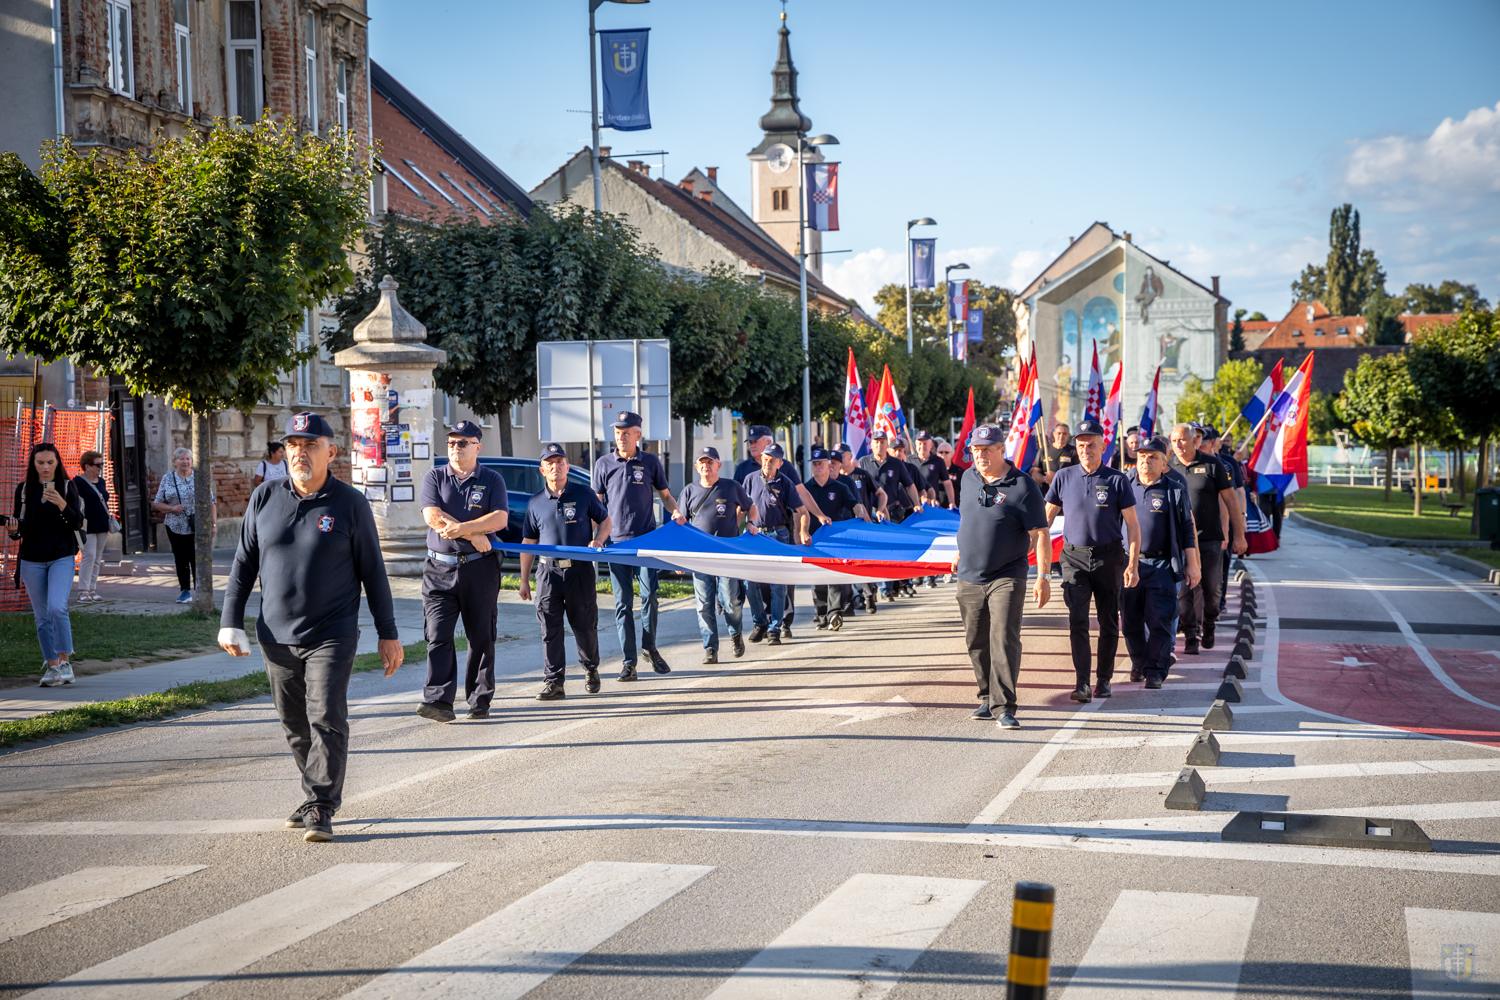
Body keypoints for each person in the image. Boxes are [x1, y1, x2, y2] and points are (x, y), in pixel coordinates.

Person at [219, 412, 402, 843]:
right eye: (293, 445)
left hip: (332, 632)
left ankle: (321, 804)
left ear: (331, 452)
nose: (299, 452)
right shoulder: (264, 498)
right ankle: (314, 794)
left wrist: (388, 633)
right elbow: (243, 565)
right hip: (275, 634)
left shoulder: (349, 504)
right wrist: (230, 621)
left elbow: (373, 573)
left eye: (310, 445)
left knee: (325, 716)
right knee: (295, 724)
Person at [954, 425, 1050, 729]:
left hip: (1007, 574)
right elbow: (967, 519)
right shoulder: (968, 479)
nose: (980, 456)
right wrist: (960, 550)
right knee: (976, 640)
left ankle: (1004, 705)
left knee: (1004, 637)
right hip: (969, 574)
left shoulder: (1022, 486)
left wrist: (1043, 576)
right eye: (976, 450)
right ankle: (986, 696)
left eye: (987, 450)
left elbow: (1041, 533)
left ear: (1001, 450)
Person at [415, 420, 508, 723]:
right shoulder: (435, 476)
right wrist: (472, 534)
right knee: (438, 634)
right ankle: (438, 700)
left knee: (481, 636)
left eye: (463, 442)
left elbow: (499, 519)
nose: (456, 447)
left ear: (477, 446)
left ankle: (479, 700)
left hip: (479, 570)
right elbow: (432, 515)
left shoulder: (491, 479)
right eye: (452, 442)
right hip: (439, 569)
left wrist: (466, 529)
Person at [1045, 417, 1141, 702]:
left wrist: (1132, 564)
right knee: (1077, 620)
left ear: (1103, 446)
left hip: (1109, 558)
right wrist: (1028, 545)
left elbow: (1133, 525)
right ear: (1076, 446)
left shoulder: (1116, 479)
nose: (1086, 449)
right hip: (1073, 558)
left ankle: (1104, 679)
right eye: (1082, 444)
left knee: (1109, 620)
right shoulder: (1064, 477)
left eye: (1092, 444)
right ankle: (1082, 682)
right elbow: (1045, 518)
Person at [592, 410, 679, 681]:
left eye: (626, 433)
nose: (621, 437)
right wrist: (596, 536)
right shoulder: (603, 464)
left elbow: (665, 496)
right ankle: (629, 662)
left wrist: (675, 511)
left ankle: (649, 646)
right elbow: (596, 504)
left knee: (650, 596)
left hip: (646, 542)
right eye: (617, 433)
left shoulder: (650, 462)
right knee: (622, 604)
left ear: (638, 434)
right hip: (616, 544)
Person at [518, 443, 610, 698]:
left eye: (560, 462)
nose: (556, 467)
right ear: (542, 470)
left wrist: (599, 540)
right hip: (548, 573)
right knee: (550, 628)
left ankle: (591, 668)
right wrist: (524, 580)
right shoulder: (535, 503)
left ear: (567, 466)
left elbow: (605, 520)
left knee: (584, 625)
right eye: (550, 464)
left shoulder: (583, 494)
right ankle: (554, 682)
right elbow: (528, 542)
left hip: (579, 571)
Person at [1122, 437, 1200, 689]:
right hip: (1129, 565)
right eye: (1142, 456)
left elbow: (1187, 528)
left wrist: (1192, 562)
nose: (1146, 460)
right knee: (1131, 622)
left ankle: (1155, 670)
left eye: (1153, 456)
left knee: (1160, 620)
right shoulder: (1124, 486)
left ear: (1164, 464)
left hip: (1162, 565)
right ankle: (1139, 661)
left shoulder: (1174, 490)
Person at [676, 446, 758, 663]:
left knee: (730, 601)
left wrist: (751, 523)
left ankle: (735, 634)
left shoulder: (731, 487)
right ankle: (710, 648)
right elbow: (681, 525)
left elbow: (752, 508)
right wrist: (680, 555)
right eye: (702, 463)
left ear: (718, 465)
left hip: (726, 555)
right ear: (696, 467)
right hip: (699, 557)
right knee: (704, 604)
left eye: (710, 462)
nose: (706, 466)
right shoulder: (688, 491)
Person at [12, 443, 83, 687]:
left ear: (57, 463)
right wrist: (13, 530)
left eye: (49, 463)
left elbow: (77, 522)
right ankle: (52, 665)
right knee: (41, 617)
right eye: (40, 463)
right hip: (32, 559)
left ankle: (65, 662)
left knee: (56, 608)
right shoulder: (24, 490)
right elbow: (19, 529)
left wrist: (62, 504)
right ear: (33, 464)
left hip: (61, 556)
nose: (45, 467)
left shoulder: (66, 485)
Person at [1169, 422, 1233, 655]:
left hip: (1209, 538)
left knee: (1211, 589)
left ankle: (1209, 624)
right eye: (1174, 440)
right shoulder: (1167, 467)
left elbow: (1229, 500)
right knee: (1185, 590)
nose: (1178, 445)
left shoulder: (1212, 465)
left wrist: (1236, 532)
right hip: (1181, 540)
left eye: (1183, 440)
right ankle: (1190, 635)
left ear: (1194, 440)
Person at [742, 442, 804, 645]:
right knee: (750, 582)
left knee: (778, 584)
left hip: (778, 535)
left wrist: (801, 531)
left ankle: (774, 628)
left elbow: (801, 511)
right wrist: (737, 532)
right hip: (754, 536)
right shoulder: (750, 479)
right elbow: (740, 508)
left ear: (780, 462)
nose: (768, 463)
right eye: (766, 458)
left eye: (773, 460)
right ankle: (760, 621)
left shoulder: (785, 483)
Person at [805, 446, 869, 630]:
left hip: (834, 539)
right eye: (815, 464)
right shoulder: (806, 488)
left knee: (833, 575)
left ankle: (834, 613)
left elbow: (854, 504)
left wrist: (861, 514)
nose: (818, 467)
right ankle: (821, 614)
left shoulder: (840, 488)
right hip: (814, 539)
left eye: (821, 464)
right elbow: (799, 511)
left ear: (828, 466)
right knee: (816, 578)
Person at [152, 446, 216, 604]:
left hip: (198, 524)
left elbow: (212, 502)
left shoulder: (199, 477)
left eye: (188, 459)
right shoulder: (168, 478)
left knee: (197, 557)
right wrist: (171, 508)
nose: (185, 462)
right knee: (181, 558)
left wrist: (213, 524)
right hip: (175, 526)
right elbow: (156, 503)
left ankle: (201, 591)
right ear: (175, 462)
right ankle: (185, 590)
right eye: (181, 459)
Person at [861, 431, 920, 601]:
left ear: (887, 444)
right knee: (873, 553)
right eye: (876, 441)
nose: (879, 445)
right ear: (871, 444)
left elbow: (910, 485)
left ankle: (889, 587)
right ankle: (872, 589)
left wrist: (916, 503)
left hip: (893, 512)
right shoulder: (864, 462)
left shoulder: (896, 463)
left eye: (882, 441)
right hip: (869, 513)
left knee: (891, 551)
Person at [837, 442, 886, 614]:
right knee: (844, 564)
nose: (839, 458)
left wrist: (880, 510)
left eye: (842, 455)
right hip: (842, 527)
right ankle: (849, 601)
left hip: (862, 526)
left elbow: (881, 494)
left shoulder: (862, 475)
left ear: (850, 456)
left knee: (861, 563)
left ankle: (868, 594)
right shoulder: (833, 479)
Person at [1209, 427, 1249, 612]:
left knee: (1222, 564)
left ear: (1215, 441)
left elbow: (1239, 493)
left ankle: (1220, 601)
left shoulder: (1227, 464)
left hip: (1224, 523)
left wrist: (1241, 518)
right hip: (1200, 526)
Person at [73, 450, 114, 603]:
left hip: (102, 523)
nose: (100, 467)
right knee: (88, 556)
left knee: (97, 558)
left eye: (102, 464)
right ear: (87, 466)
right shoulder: (77, 482)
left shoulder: (101, 481)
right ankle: (83, 591)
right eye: (98, 465)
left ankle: (92, 589)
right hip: (85, 525)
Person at [918, 432, 956, 508]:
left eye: (925, 443)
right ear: (915, 444)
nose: (922, 446)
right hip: (913, 506)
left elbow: (947, 483)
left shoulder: (938, 461)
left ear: (931, 445)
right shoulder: (909, 460)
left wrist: (952, 502)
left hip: (932, 504)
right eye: (920, 443)